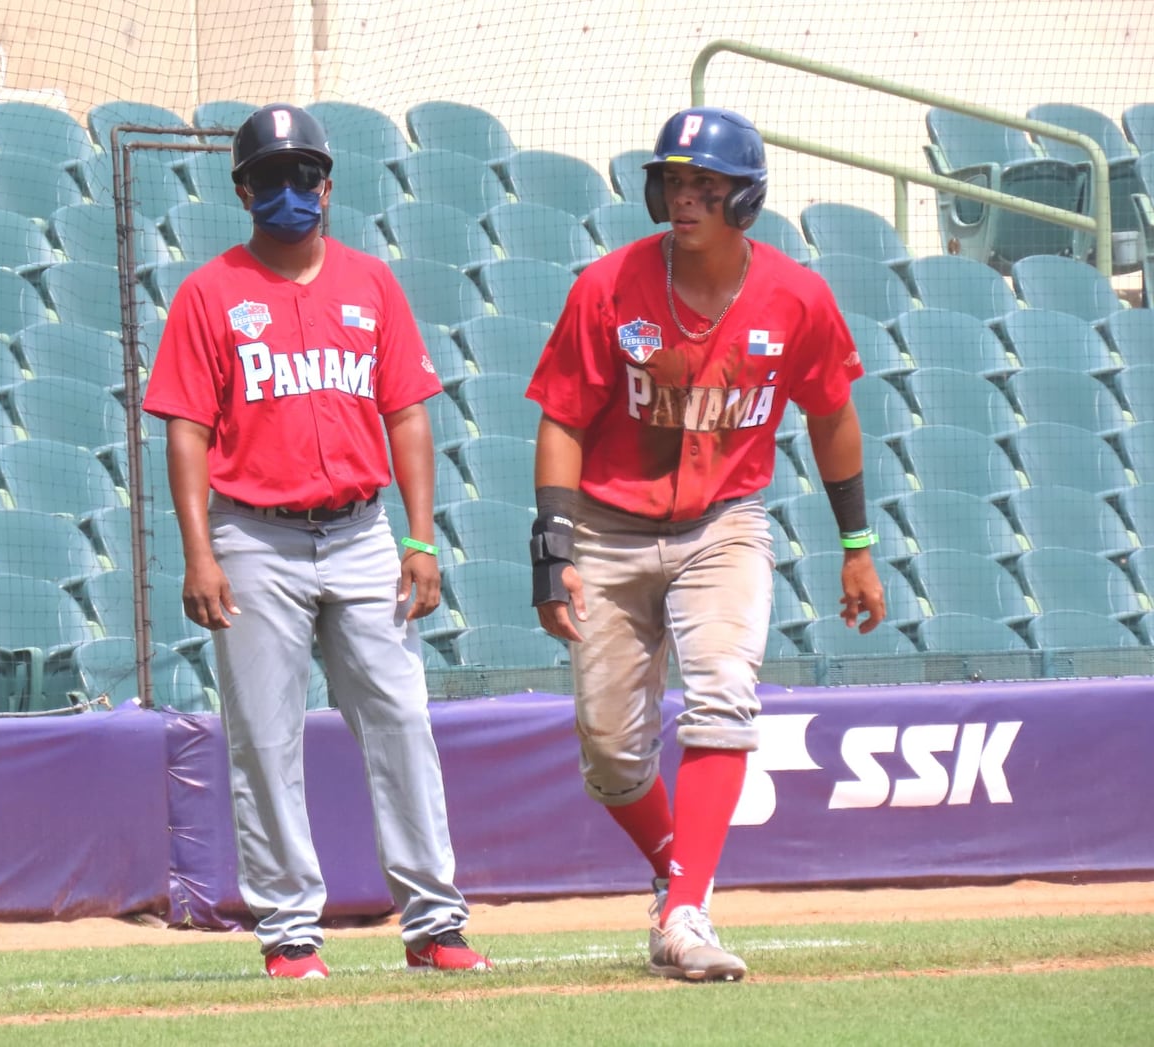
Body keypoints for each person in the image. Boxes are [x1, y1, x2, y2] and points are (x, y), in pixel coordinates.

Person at [525, 107, 885, 982]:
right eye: (674, 184)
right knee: (611, 759)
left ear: (746, 201)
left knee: (724, 695)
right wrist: (551, 545)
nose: (683, 201)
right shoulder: (608, 286)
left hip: (725, 524)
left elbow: (833, 416)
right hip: (608, 531)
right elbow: (563, 420)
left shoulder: (797, 296)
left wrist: (858, 543)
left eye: (705, 188)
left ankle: (684, 910)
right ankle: (673, 867)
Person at [142, 103, 489, 979]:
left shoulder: (372, 284)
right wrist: (199, 551)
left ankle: (435, 922)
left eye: (302, 173)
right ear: (242, 189)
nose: (288, 190)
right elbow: (185, 430)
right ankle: (290, 930)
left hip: (365, 530)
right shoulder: (209, 291)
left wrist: (422, 539)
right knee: (264, 736)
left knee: (402, 719)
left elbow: (407, 414)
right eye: (270, 176)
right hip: (254, 537)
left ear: (328, 185)